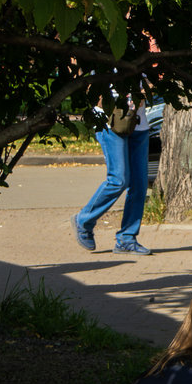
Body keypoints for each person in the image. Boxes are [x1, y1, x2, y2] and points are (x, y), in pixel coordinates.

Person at [73, 83, 153, 256]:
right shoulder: (104, 57)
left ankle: (127, 239)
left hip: (138, 124)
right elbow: (89, 85)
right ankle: (84, 220)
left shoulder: (147, 59)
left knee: (139, 184)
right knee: (119, 180)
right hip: (109, 122)